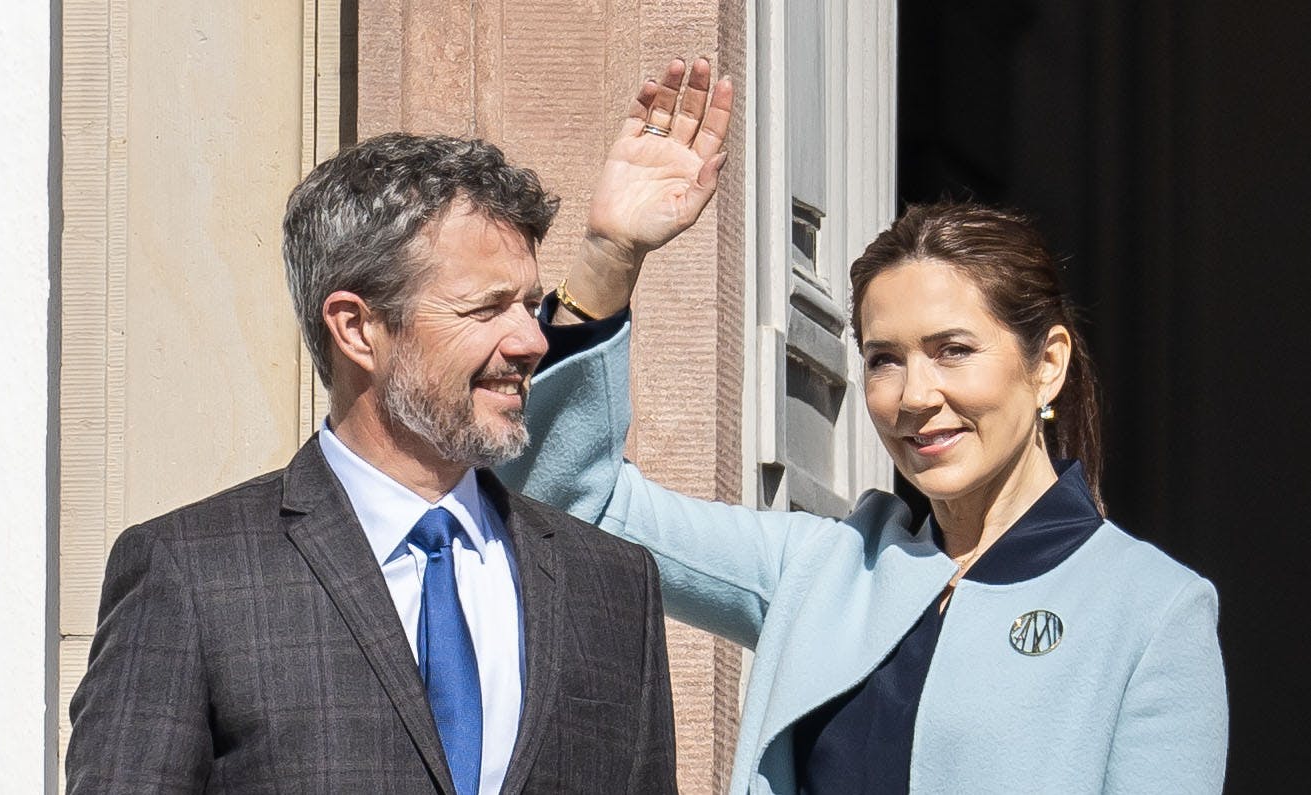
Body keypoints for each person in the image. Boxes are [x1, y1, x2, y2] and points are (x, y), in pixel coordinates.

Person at [498, 58, 1228, 793]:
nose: (914, 395)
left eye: (952, 351)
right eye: (884, 359)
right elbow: (572, 505)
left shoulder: (1153, 609)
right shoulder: (822, 570)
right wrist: (608, 256)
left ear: (1047, 365)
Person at [66, 133, 677, 794]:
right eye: (484, 308)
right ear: (357, 327)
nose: (531, 339)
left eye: (528, 305)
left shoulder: (612, 586)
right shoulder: (193, 573)